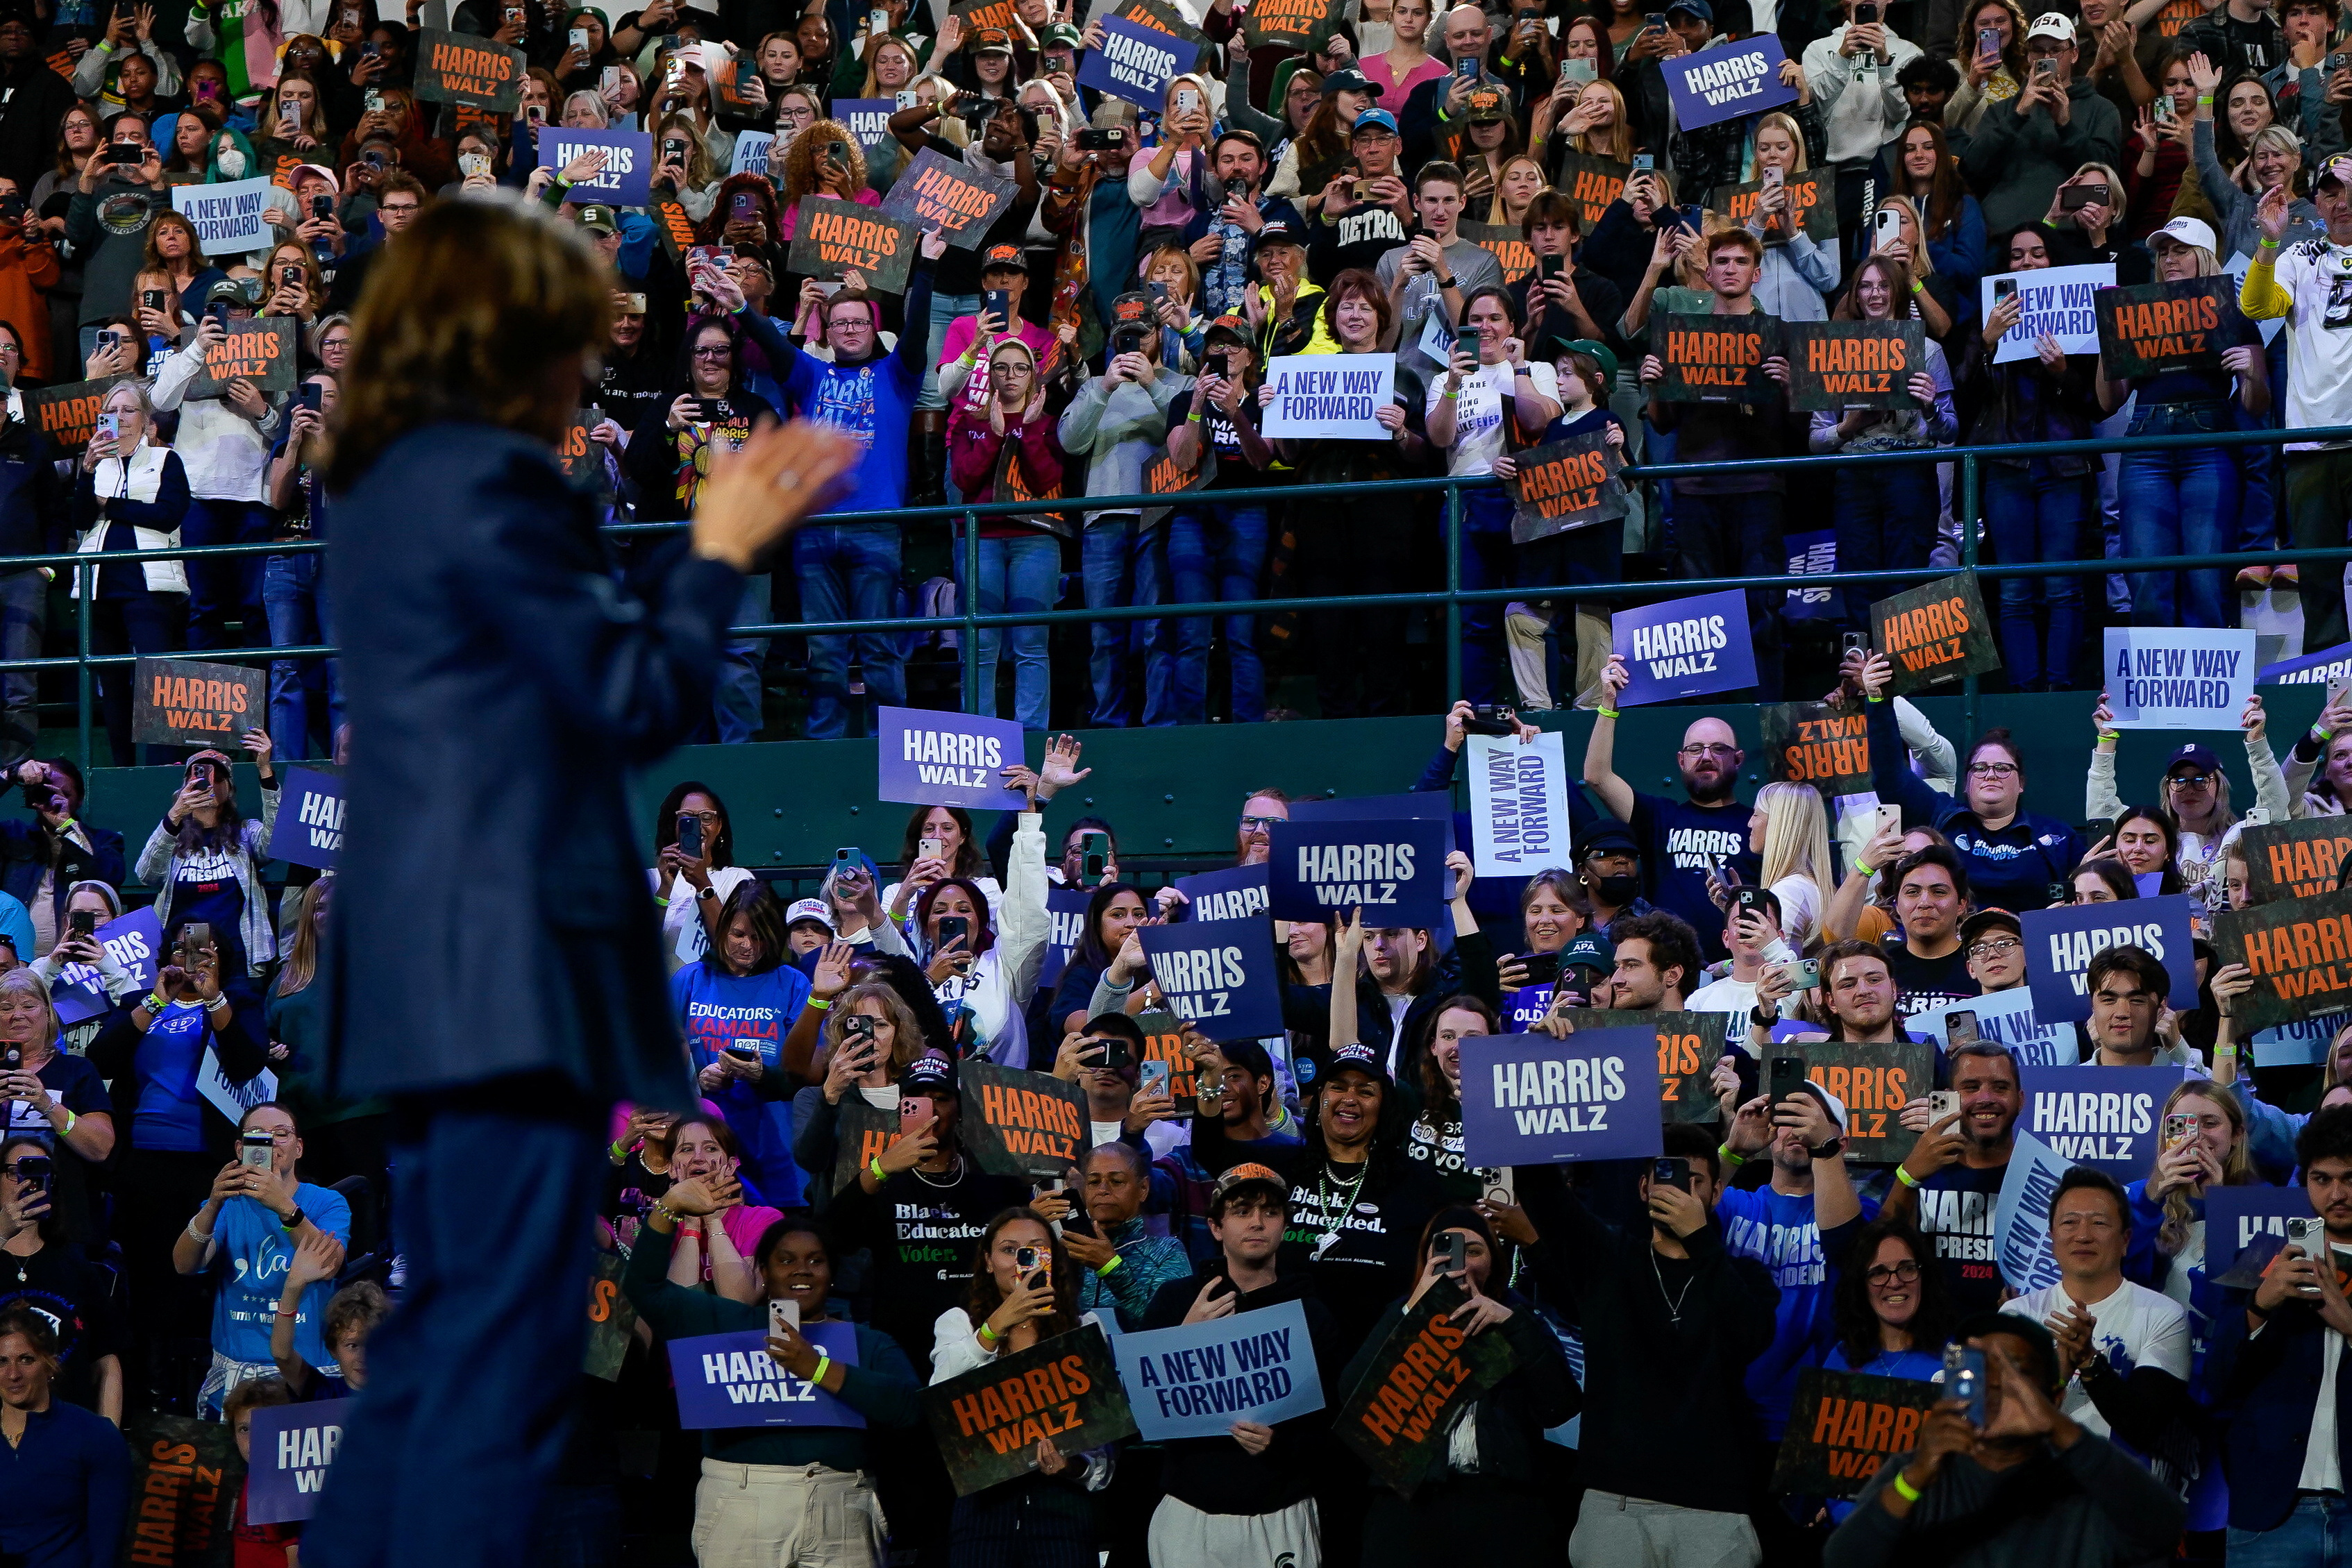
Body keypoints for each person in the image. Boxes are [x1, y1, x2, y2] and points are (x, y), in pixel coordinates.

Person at [310, 195, 860, 1568]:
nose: (595, 340)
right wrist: (723, 540)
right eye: (568, 318)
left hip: (439, 987)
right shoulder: (488, 479)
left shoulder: (390, 480)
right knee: (499, 1366)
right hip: (507, 983)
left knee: (445, 1337)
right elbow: (631, 691)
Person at [1518, 1124, 1776, 1567]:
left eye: (1695, 1182)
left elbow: (1750, 1336)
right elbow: (1540, 1191)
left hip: (1714, 1506)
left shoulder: (1745, 1276)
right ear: (1643, 1188)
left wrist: (1699, 1239)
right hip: (1613, 1502)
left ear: (1717, 1193)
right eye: (1668, 1176)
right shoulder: (1608, 1257)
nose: (1681, 1191)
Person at [627, 1210, 920, 1567]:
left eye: (816, 1260)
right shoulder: (726, 1324)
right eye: (786, 1260)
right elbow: (643, 1286)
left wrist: (817, 1367)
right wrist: (669, 1207)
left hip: (843, 1505)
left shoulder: (867, 1343)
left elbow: (910, 1409)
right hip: (741, 1502)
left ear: (832, 1274)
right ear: (763, 1272)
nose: (802, 1269)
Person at [1822, 1311, 2189, 1565]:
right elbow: (1843, 1560)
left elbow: (2164, 1528)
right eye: (1977, 1368)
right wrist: (1914, 1480)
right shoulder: (1914, 1473)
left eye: (2015, 1371)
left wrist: (2060, 1429)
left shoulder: (2089, 1477)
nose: (1994, 1383)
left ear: (2053, 1397)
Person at [1341, 1208, 1578, 1567]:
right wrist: (1410, 1314)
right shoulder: (1401, 1313)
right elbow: (1351, 1397)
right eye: (1447, 1250)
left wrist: (1514, 1326)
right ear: (1425, 1261)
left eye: (1474, 1250)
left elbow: (1560, 1405)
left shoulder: (1518, 1317)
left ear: (1495, 1260)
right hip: (1411, 1505)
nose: (1461, 1264)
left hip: (1501, 1505)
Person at [1138, 1164, 1336, 1568]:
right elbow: (1138, 1409)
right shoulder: (1175, 1301)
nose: (1257, 1223)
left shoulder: (1312, 1313)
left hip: (1281, 1512)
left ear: (1284, 1225)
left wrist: (1278, 1445)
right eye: (1242, 1211)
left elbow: (1336, 1426)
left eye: (1270, 1212)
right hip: (1189, 1513)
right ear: (1216, 1227)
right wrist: (1185, 1335)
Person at [2207, 1104, 2352, 1562]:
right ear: (2304, 1180)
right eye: (2322, 1178)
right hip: (2272, 1514)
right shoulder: (2265, 1255)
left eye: (2351, 1177)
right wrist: (2258, 1306)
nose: (2337, 1193)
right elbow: (2216, 1381)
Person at [928, 1208, 1099, 1567]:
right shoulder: (958, 1323)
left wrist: (1073, 1468)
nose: (1025, 1260)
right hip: (983, 1517)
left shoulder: (1086, 1327)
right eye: (1010, 1249)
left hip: (1063, 1519)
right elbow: (941, 1397)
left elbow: (1104, 1457)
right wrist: (996, 1327)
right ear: (988, 1262)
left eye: (1038, 1248)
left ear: (1055, 1260)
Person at [1999, 1166, 2194, 1466]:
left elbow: (2142, 1430)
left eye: (2099, 1223)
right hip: (2035, 1495)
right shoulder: (2017, 1316)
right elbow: (2001, 1424)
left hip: (2118, 1498)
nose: (2083, 1235)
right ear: (2052, 1239)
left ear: (2126, 1240)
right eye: (2070, 1222)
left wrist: (2090, 1360)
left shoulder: (2163, 1316)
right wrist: (2059, 1374)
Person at [1860, 654, 2085, 912]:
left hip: (2030, 943)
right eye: (1980, 768)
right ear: (1966, 783)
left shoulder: (2056, 836)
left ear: (2021, 783)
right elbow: (1890, 777)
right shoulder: (1942, 816)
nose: (1991, 775)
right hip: (1955, 943)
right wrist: (1878, 700)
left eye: (2002, 768)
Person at [1059, 291, 1191, 729]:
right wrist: (1105, 387)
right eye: (1125, 336)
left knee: (1157, 629)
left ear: (1159, 333)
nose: (1134, 344)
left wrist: (1152, 384)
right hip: (1103, 519)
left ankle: (1160, 722)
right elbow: (1070, 442)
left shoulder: (1180, 383)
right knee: (1103, 633)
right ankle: (1109, 722)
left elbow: (1190, 440)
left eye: (1143, 333)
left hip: (1159, 517)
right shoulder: (1095, 385)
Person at [1717, 1079, 1867, 1458]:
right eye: (1788, 1115)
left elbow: (1849, 1246)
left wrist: (1824, 1152)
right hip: (1727, 1414)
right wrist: (1733, 1151)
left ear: (1841, 1143)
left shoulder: (1862, 1211)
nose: (1799, 1127)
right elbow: (1677, 1212)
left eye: (1813, 1118)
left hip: (1817, 1419)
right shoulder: (1734, 1204)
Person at [2239, 157, 2352, 655]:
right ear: (2319, 203)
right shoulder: (2296, 256)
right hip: (2310, 441)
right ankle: (2332, 688)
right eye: (2331, 193)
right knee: (2320, 580)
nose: (2343, 202)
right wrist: (2268, 240)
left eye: (2350, 190)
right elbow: (2257, 307)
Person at [1585, 663, 1761, 959]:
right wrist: (1608, 703)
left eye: (1718, 749)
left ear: (1738, 759)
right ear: (1681, 761)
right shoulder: (1658, 816)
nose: (1706, 757)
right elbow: (1597, 776)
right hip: (1665, 965)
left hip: (1737, 965)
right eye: (1695, 750)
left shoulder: (1757, 823)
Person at [69, 378, 191, 768]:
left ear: (145, 420)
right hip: (99, 587)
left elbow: (167, 515)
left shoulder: (165, 460)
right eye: (113, 411)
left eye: (129, 410)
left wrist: (112, 504)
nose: (119, 418)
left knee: (158, 679)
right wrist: (87, 472)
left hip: (149, 586)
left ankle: (162, 768)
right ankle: (122, 767)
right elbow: (79, 519)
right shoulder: (92, 463)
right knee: (113, 685)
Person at [671, 881, 810, 1206]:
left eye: (759, 937)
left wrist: (763, 1076)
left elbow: (810, 1074)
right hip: (706, 1152)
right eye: (738, 934)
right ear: (722, 931)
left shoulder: (793, 983)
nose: (748, 946)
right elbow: (659, 1060)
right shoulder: (689, 980)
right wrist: (698, 1079)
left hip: (777, 1149)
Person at [1884, 1038, 2023, 1309]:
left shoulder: (2043, 1178)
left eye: (2000, 1087)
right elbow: (1884, 1247)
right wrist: (1908, 1175)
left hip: (2007, 1341)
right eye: (1971, 1088)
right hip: (1930, 1339)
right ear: (1949, 1098)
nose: (1985, 1098)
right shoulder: (1918, 1172)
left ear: (2020, 1099)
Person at [1960, 12, 2127, 234]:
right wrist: (2019, 114)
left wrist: (2066, 126)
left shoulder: (2101, 109)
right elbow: (1970, 170)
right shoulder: (2002, 111)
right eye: (2038, 50)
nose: (2046, 56)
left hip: (2071, 234)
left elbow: (2107, 179)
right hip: (2006, 236)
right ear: (2029, 57)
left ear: (2074, 54)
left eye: (2056, 50)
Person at [136, 737, 280, 988]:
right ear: (184, 787)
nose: (209, 784)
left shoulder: (245, 832)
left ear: (230, 789)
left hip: (236, 957)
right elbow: (146, 874)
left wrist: (265, 771)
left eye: (218, 778)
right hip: (183, 959)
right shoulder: (172, 836)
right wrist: (176, 814)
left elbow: (275, 842)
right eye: (200, 777)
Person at [0, 1133, 124, 1423]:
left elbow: (107, 1360)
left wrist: (107, 1441)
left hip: (66, 1432)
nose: (26, 1181)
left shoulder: (76, 1264)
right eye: (14, 1172)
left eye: (36, 1170)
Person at [0, 1304, 131, 1568]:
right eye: (1, 1361)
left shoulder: (95, 1437)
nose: (13, 1374)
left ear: (51, 1364)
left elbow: (106, 1548)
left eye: (26, 1359)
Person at [0, 969, 111, 1248]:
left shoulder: (77, 1070)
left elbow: (100, 1148)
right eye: (5, 1008)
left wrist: (48, 1105)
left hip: (63, 1217)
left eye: (29, 1006)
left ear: (47, 1014)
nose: (18, 1015)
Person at [0, 763, 121, 963]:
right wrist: (10, 775)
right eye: (47, 791)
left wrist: (67, 826)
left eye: (65, 794)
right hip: (15, 968)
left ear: (80, 800)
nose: (55, 799)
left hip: (78, 965)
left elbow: (109, 877)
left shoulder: (104, 841)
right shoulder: (11, 834)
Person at [1065, 1139, 1190, 1329]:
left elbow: (1167, 1330)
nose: (1103, 1190)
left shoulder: (1168, 1252)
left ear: (1143, 1189)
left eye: (1116, 1181)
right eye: (1093, 1182)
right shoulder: (1067, 1252)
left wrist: (1111, 1267)